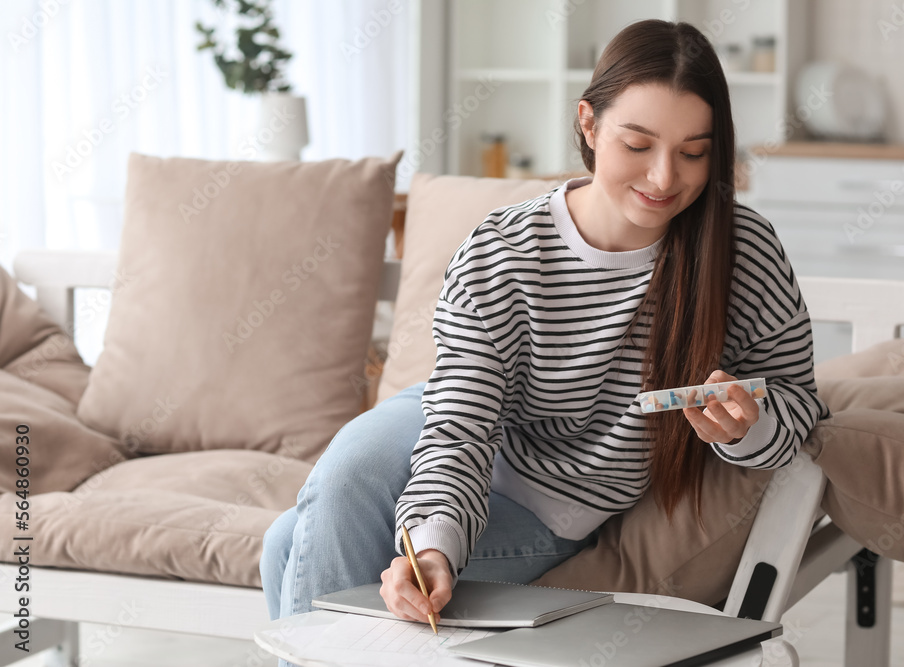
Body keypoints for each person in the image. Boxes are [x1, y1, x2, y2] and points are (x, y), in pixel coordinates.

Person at [259, 18, 830, 643]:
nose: (665, 178)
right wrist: (435, 544)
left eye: (693, 152)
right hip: (461, 418)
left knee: (288, 542)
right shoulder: (504, 249)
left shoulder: (743, 252)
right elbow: (460, 425)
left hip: (552, 497)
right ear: (588, 123)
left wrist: (748, 432)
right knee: (346, 473)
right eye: (637, 145)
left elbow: (798, 402)